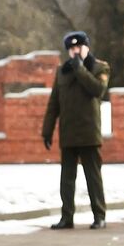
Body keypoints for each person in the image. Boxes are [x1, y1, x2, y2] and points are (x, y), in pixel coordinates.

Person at [41, 31, 110, 229]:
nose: (75, 51)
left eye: (78, 47)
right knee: (67, 179)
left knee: (93, 177)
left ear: (87, 47)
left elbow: (97, 90)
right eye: (71, 49)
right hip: (69, 132)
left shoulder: (99, 67)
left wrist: (80, 70)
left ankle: (99, 216)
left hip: (89, 132)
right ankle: (67, 217)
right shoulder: (62, 71)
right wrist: (47, 130)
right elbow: (54, 103)